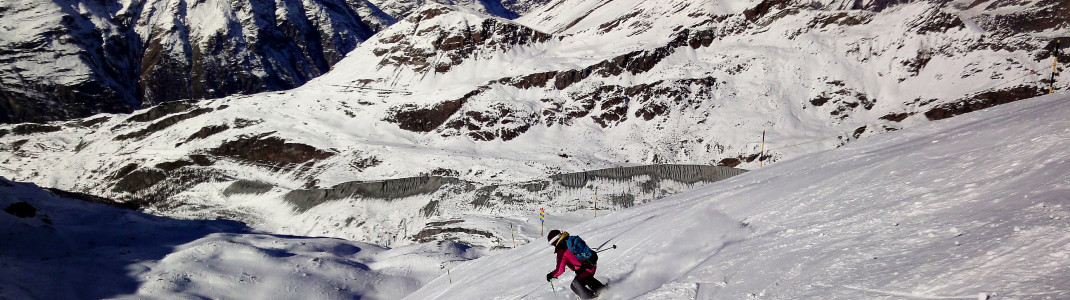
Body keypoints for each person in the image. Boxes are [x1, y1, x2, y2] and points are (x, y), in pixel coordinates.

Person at [546, 229, 606, 299]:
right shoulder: (569, 240)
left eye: (552, 243)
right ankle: (603, 290)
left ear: (555, 241)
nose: (553, 245)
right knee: (587, 279)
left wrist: (551, 275)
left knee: (575, 285)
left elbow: (560, 270)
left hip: (585, 269)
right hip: (591, 263)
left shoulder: (561, 251)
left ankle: (591, 298)